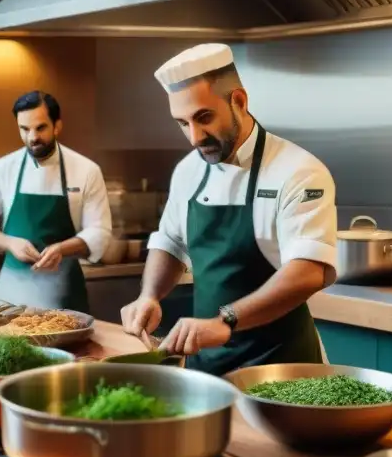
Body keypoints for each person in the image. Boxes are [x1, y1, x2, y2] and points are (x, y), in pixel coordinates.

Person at [121, 44, 337, 375]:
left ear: (239, 101)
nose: (194, 136)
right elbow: (170, 242)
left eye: (203, 117)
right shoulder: (188, 170)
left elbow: (308, 272)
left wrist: (227, 320)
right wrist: (149, 296)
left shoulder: (299, 170)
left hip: (282, 366)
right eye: (182, 123)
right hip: (208, 363)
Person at [0, 90, 112, 313]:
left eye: (40, 128)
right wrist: (10, 243)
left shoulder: (86, 170)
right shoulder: (2, 169)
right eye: (24, 129)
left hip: (66, 295)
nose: (32, 137)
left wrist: (61, 249)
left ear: (57, 126)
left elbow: (100, 232)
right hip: (12, 295)